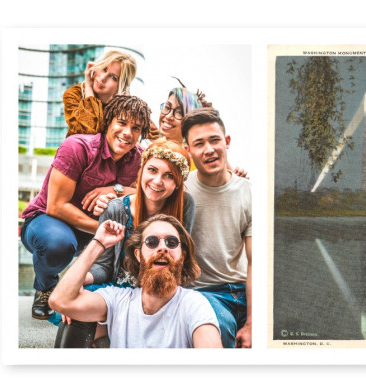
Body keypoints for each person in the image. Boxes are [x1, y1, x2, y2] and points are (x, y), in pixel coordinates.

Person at [52, 139, 195, 348]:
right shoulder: (116, 208)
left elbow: (181, 261)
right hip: (118, 288)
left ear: (177, 183)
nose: (157, 181)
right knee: (74, 312)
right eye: (152, 170)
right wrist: (82, 279)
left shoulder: (185, 205)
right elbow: (104, 265)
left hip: (159, 289)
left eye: (169, 175)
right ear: (141, 171)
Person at [20, 94, 151, 320]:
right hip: (47, 221)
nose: (128, 132)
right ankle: (45, 287)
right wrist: (103, 231)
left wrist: (115, 188)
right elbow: (56, 206)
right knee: (58, 244)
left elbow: (149, 191)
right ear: (108, 122)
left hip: (96, 230)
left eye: (136, 127)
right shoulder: (77, 147)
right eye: (121, 122)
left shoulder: (141, 159)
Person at [49, 215, 222, 348]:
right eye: (152, 242)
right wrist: (98, 243)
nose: (162, 247)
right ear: (138, 255)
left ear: (182, 257)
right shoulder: (117, 299)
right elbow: (60, 300)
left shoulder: (194, 305)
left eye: (171, 242)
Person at [181, 107, 252, 348]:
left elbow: (255, 263)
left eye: (214, 140)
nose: (209, 149)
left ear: (227, 141)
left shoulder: (249, 192)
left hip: (245, 288)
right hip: (205, 293)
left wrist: (252, 322)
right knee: (219, 329)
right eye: (199, 144)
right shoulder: (181, 192)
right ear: (188, 151)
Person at [63, 50, 138, 138]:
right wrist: (89, 88)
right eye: (104, 69)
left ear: (121, 85)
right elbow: (87, 132)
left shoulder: (125, 108)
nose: (102, 78)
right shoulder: (74, 94)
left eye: (113, 77)